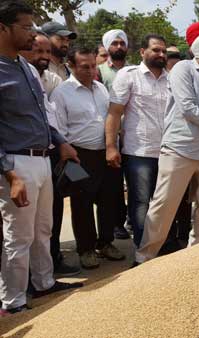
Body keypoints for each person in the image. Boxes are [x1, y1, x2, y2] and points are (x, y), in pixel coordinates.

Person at [0, 0, 82, 314]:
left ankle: (45, 282)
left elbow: (40, 115)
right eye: (25, 26)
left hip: (43, 159)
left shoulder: (25, 67)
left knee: (43, 230)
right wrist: (10, 174)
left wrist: (60, 141)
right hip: (15, 164)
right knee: (17, 238)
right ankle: (13, 302)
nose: (32, 35)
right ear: (3, 28)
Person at [134, 24, 199, 265]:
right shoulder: (182, 69)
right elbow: (189, 109)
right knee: (164, 205)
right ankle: (144, 257)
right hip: (179, 148)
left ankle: (196, 255)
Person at [51, 47, 126, 269]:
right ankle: (86, 249)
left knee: (108, 200)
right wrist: (67, 154)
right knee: (81, 202)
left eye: (93, 65)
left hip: (105, 153)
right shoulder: (62, 93)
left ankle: (105, 243)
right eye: (85, 66)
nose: (91, 70)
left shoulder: (102, 89)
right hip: (77, 155)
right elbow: (59, 128)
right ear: (71, 66)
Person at [105, 34, 169, 248]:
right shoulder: (128, 75)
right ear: (142, 52)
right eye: (156, 50)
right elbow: (114, 113)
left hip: (169, 152)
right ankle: (143, 250)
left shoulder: (172, 79)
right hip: (138, 152)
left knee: (164, 203)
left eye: (163, 51)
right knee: (140, 203)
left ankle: (161, 246)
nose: (161, 54)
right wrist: (111, 146)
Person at [97, 28, 130, 240]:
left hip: (133, 133)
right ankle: (117, 224)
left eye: (122, 43)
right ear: (107, 47)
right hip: (111, 134)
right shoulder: (99, 70)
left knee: (135, 181)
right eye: (114, 43)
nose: (119, 47)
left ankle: (131, 221)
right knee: (114, 183)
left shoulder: (134, 70)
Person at [20, 31, 62, 95]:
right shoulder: (16, 77)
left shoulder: (54, 81)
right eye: (39, 51)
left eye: (48, 52)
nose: (45, 56)